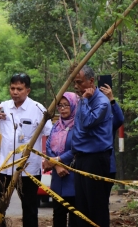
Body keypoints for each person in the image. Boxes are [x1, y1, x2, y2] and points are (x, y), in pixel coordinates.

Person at [0, 73, 53, 227]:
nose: (15, 92)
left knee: (29, 208)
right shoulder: (3, 106)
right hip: (5, 168)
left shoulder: (37, 108)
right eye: (12, 88)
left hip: (29, 169)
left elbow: (50, 134)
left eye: (19, 89)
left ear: (27, 90)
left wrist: (49, 158)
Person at [72, 65, 113, 227]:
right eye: (74, 83)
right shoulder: (83, 100)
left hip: (95, 158)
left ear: (91, 81)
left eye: (79, 82)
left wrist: (86, 100)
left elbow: (88, 122)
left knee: (96, 205)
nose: (76, 87)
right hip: (81, 157)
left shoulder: (101, 102)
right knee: (81, 205)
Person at [44, 92, 79, 227]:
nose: (63, 109)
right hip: (58, 178)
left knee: (75, 216)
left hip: (73, 175)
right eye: (60, 105)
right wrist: (57, 165)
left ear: (74, 106)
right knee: (58, 215)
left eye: (66, 105)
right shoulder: (56, 126)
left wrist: (59, 160)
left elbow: (76, 148)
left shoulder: (79, 126)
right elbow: (48, 146)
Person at [99, 83, 124, 198]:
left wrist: (111, 99)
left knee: (102, 201)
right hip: (89, 166)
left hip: (108, 166)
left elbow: (119, 119)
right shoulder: (87, 118)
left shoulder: (109, 121)